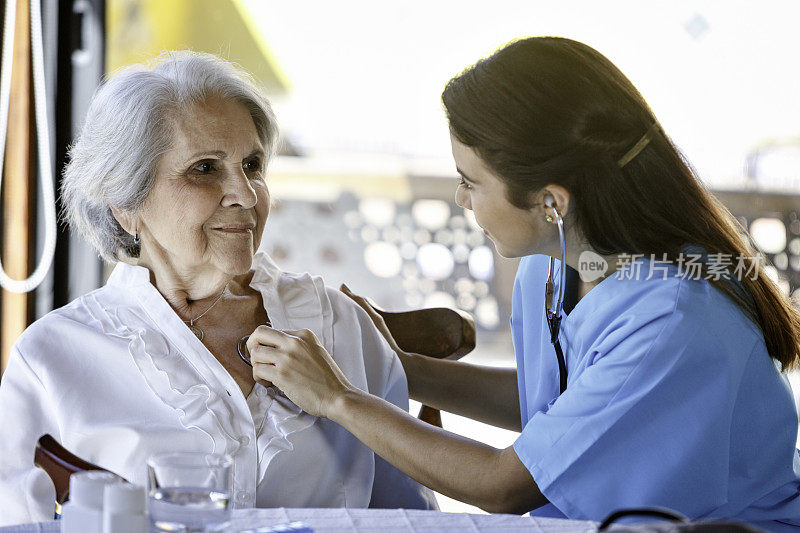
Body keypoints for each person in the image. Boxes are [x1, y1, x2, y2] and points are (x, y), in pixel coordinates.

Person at [245, 37, 800, 531]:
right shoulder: (551, 262)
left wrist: (340, 399)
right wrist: (394, 367)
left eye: (470, 181)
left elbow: (504, 485)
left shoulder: (671, 317)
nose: (461, 200)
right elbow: (557, 406)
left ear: (551, 201)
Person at [0, 51, 435, 526]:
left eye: (252, 165)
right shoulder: (53, 357)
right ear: (126, 205)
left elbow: (410, 518)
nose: (246, 195)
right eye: (205, 169)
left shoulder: (336, 322)